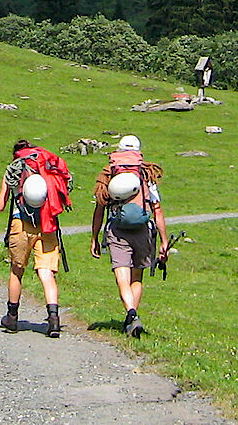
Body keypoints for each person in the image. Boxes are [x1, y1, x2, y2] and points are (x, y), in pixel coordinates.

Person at [0, 139, 63, 337]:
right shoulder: (47, 167)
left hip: (20, 224)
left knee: (17, 271)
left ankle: (12, 318)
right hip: (47, 225)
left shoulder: (13, 170)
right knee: (46, 272)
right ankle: (54, 319)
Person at [90, 133, 168, 338]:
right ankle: (132, 319)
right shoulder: (145, 173)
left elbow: (99, 208)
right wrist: (164, 240)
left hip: (117, 230)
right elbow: (157, 209)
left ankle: (131, 314)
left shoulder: (109, 173)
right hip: (143, 230)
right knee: (137, 277)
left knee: (121, 277)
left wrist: (94, 237)